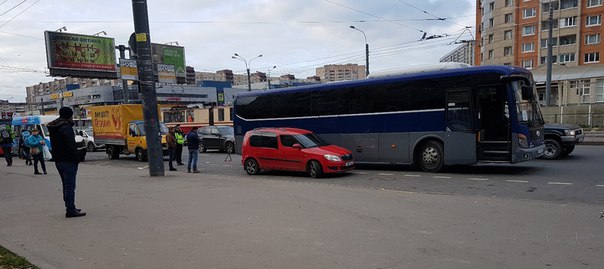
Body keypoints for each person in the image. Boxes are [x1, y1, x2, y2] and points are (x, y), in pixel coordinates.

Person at [48, 107, 85, 218]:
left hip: (59, 160)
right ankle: (70, 210)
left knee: (65, 185)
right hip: (68, 160)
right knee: (70, 186)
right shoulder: (66, 128)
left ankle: (70, 206)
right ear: (69, 115)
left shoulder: (54, 127)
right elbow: (71, 145)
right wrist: (77, 159)